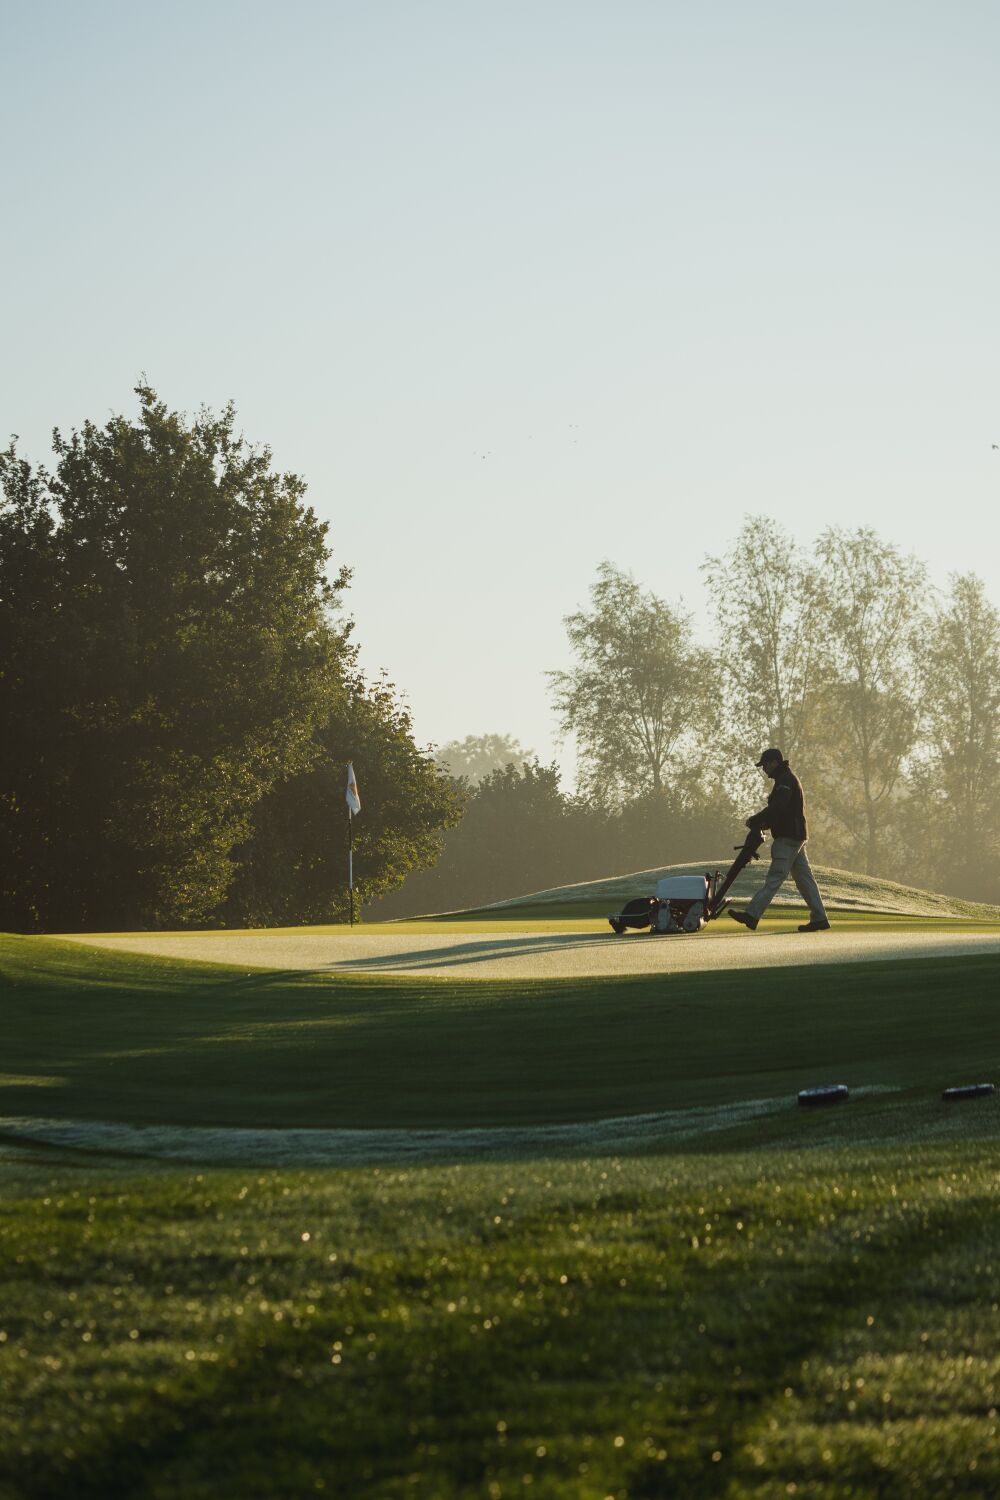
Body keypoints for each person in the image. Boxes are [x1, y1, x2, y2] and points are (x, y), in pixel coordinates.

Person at [729, 748, 830, 933]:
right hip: (796, 836)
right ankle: (820, 918)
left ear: (774, 762)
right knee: (804, 880)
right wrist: (764, 822)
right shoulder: (786, 779)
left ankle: (752, 915)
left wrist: (755, 820)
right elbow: (780, 811)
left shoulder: (785, 781)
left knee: (775, 877)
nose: (764, 769)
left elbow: (778, 808)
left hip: (788, 837)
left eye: (765, 765)